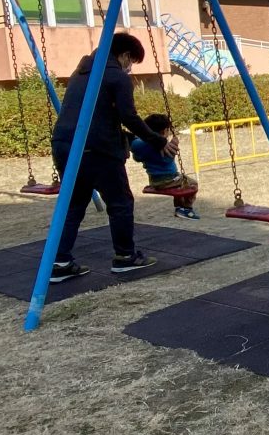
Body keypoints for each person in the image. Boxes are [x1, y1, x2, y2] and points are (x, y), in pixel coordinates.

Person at [48, 33, 178, 281]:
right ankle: (125, 257)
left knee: (73, 205)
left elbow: (98, 116)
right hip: (97, 149)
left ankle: (60, 261)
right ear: (125, 55)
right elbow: (128, 116)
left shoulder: (80, 74)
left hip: (64, 144)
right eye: (131, 62)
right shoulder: (116, 76)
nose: (129, 68)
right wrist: (158, 140)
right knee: (120, 203)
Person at [132, 113, 199, 221]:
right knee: (192, 184)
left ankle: (179, 207)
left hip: (154, 181)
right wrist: (175, 144)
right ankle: (186, 208)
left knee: (180, 185)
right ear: (164, 131)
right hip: (168, 180)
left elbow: (137, 157)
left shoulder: (140, 145)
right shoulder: (164, 147)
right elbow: (166, 159)